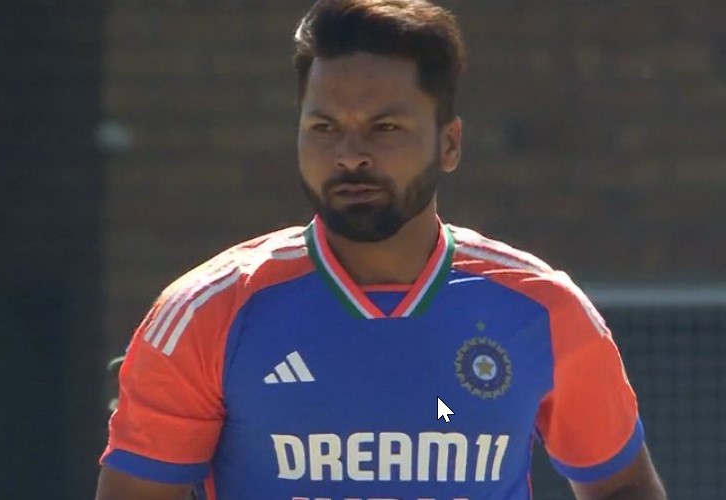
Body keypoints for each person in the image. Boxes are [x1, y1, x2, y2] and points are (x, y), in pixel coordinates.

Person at [96, 0, 667, 498]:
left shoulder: (543, 308)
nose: (350, 154)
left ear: (449, 143)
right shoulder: (206, 313)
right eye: (324, 127)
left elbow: (622, 486)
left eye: (385, 127)